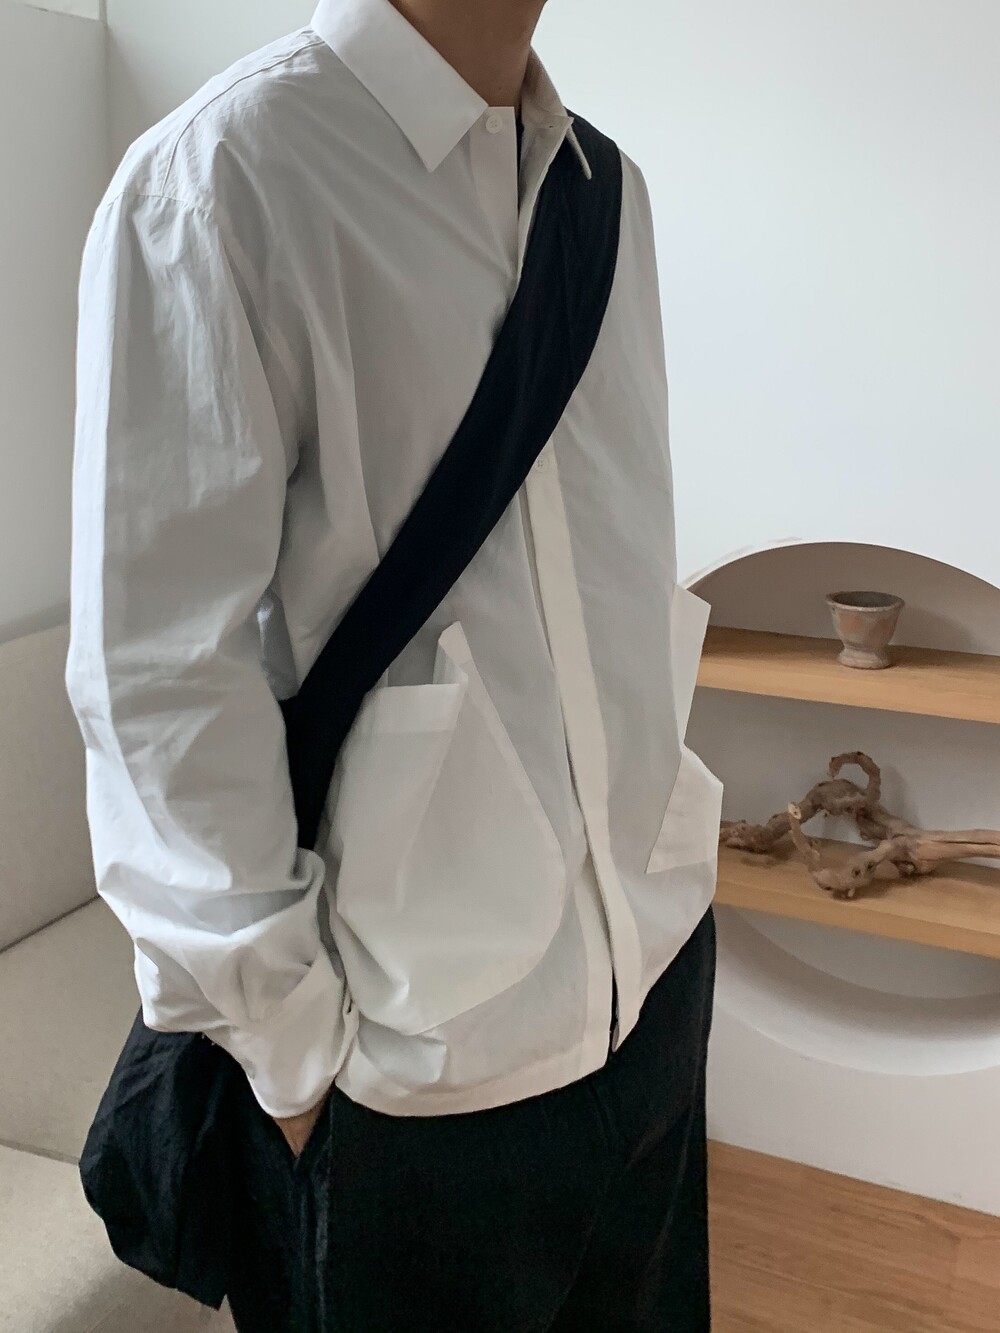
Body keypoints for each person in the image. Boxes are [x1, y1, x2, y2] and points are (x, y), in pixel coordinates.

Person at [66, 0, 724, 1328]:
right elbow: (161, 681)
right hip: (410, 1082)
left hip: (652, 992)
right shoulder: (222, 181)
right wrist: (295, 1062)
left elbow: (614, 577)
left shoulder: (610, 194)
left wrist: (665, 908)